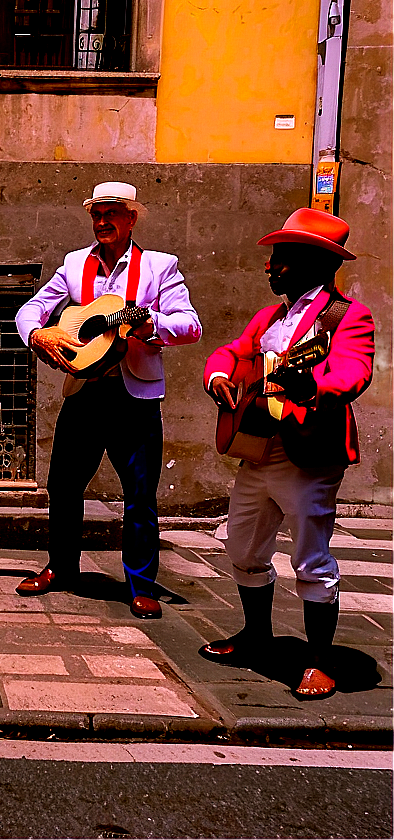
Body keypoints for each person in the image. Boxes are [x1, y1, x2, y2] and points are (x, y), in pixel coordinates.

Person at [201, 208, 374, 699]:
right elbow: (231, 354)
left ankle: (318, 662)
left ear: (313, 262)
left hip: (310, 452)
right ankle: (257, 636)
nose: (270, 267)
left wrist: (310, 386)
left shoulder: (348, 316)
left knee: (310, 556)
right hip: (257, 446)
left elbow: (352, 373)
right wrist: (218, 379)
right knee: (242, 546)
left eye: (280, 258)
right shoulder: (270, 317)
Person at [14, 181, 201, 617]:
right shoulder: (74, 264)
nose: (103, 221)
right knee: (63, 485)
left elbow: (190, 325)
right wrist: (39, 333)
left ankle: (141, 583)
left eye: (112, 212)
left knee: (139, 493)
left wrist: (148, 325)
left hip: (134, 397)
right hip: (85, 393)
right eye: (97, 213)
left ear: (132, 218)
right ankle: (61, 568)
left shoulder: (159, 266)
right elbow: (30, 309)